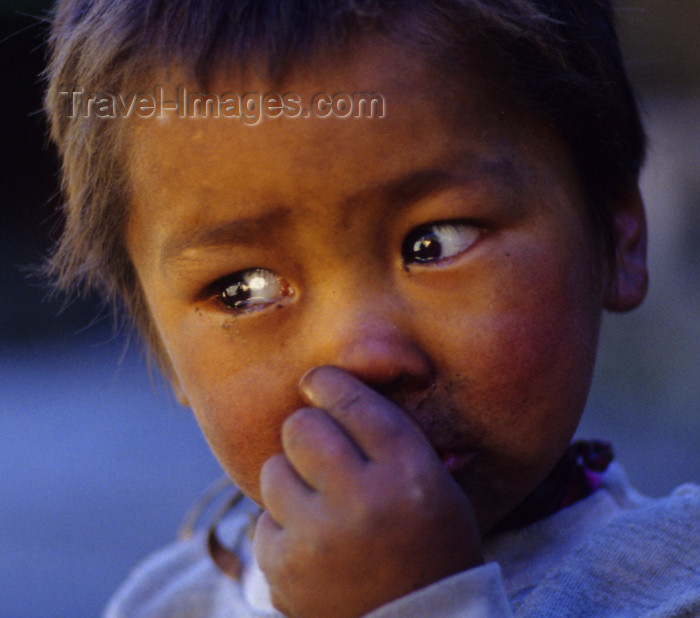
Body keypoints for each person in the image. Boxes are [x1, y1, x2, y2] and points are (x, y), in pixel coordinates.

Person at [43, 0, 699, 616]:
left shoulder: (673, 583)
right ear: (163, 351)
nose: (360, 353)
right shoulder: (165, 603)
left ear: (618, 237)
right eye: (244, 289)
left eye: (434, 242)